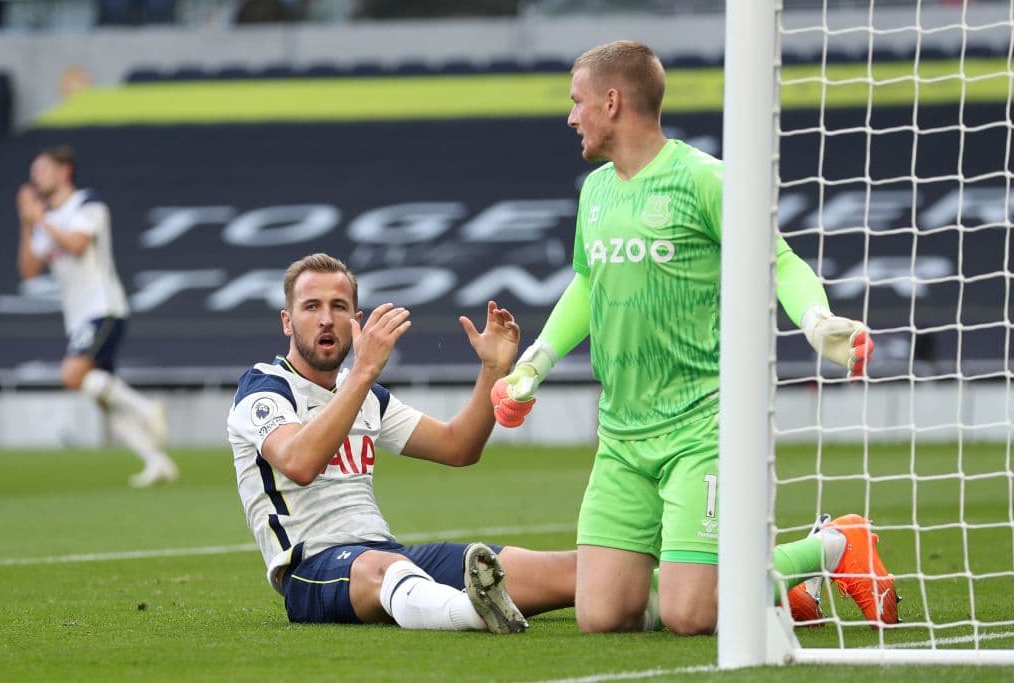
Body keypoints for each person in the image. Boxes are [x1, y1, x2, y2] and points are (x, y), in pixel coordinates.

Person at [491, 40, 897, 634]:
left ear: (612, 101)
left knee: (692, 614)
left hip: (701, 426)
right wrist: (533, 366)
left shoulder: (706, 180)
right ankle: (774, 585)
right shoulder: (595, 192)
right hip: (623, 431)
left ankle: (833, 547)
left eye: (577, 102)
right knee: (602, 616)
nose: (571, 116)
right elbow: (587, 284)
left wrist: (816, 323)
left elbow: (779, 261)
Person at [226, 253, 580, 632]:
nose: (326, 318)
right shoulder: (264, 388)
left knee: (569, 569)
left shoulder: (366, 395)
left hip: (388, 554)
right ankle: (471, 612)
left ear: (355, 322)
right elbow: (299, 462)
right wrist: (364, 371)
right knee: (388, 570)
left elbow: (458, 447)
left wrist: (493, 369)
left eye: (338, 306)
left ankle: (642, 602)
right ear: (287, 321)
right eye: (311, 306)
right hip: (312, 569)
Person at [16, 145, 177, 488]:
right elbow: (29, 270)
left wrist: (40, 218)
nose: (35, 179)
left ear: (64, 172)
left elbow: (76, 245)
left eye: (41, 171)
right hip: (78, 318)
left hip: (103, 308)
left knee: (73, 377)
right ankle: (157, 462)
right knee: (103, 399)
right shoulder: (47, 219)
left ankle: (148, 409)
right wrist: (27, 224)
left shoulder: (88, 204)